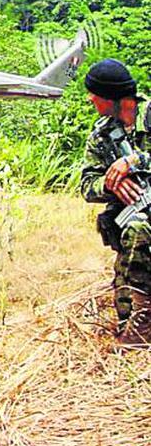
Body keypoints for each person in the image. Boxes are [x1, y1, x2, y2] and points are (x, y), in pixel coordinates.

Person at [80, 58, 151, 347]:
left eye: (94, 94)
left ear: (111, 98)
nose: (90, 99)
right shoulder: (102, 135)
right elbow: (87, 185)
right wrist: (110, 185)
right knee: (133, 233)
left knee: (137, 231)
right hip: (135, 215)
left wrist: (136, 161)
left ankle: (141, 321)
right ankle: (136, 320)